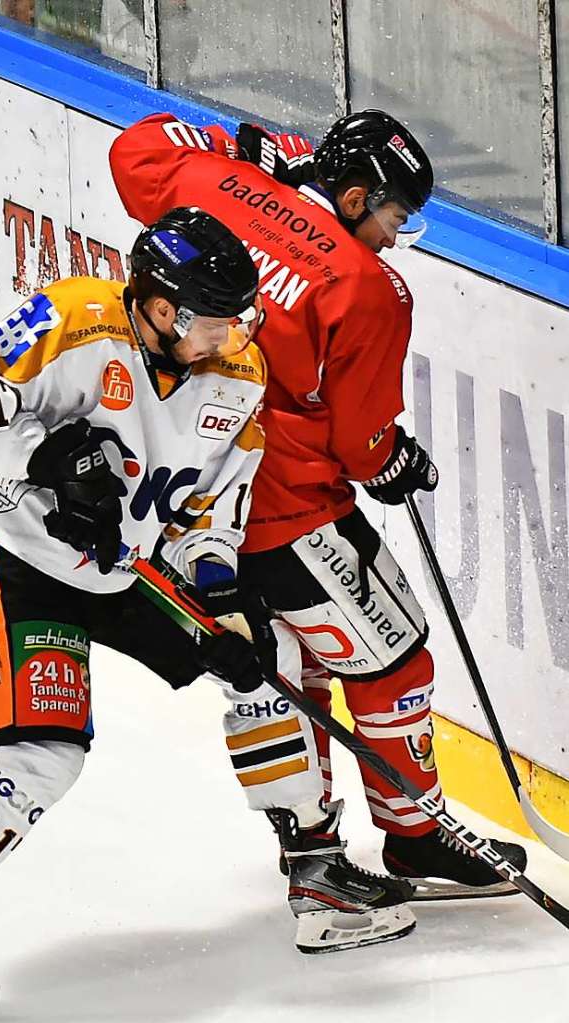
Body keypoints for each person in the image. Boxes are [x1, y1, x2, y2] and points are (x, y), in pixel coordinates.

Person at [110, 110, 527, 950]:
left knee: (284, 673)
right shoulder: (364, 288)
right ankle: (409, 836)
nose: (394, 236)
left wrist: (234, 145)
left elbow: (134, 153)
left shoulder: (215, 184)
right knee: (393, 654)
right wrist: (393, 462)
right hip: (283, 506)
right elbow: (360, 443)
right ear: (351, 194)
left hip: (179, 495)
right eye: (391, 216)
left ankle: (316, 860)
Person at [0, 207, 271, 1023]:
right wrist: (43, 455)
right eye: (213, 323)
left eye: (234, 321)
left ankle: (316, 861)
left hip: (131, 571)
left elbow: (210, 510)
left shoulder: (240, 377)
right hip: (16, 560)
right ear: (159, 307)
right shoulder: (69, 320)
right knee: (43, 754)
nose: (231, 338)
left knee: (266, 667)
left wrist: (216, 594)